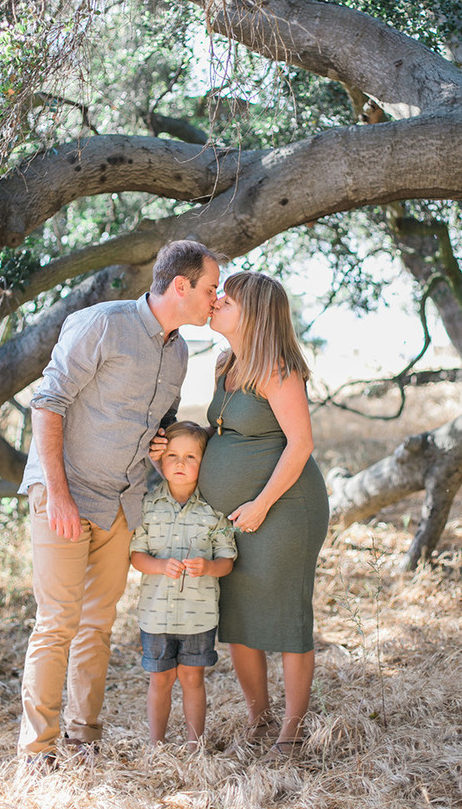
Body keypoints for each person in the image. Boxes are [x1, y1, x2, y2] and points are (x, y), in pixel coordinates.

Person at [17, 240, 222, 766]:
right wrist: (57, 495)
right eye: (210, 288)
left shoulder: (179, 352)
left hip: (121, 503)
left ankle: (84, 737)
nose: (214, 299)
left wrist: (161, 447)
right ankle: (37, 750)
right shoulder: (102, 323)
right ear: (181, 286)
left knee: (97, 625)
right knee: (57, 620)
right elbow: (48, 402)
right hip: (66, 494)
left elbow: (157, 421)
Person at [198, 271, 329, 760]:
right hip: (236, 516)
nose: (216, 301)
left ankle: (291, 733)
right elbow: (226, 431)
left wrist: (261, 504)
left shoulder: (276, 367)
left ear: (253, 313)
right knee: (238, 616)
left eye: (227, 297)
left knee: (288, 616)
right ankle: (260, 719)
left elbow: (301, 444)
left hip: (285, 508)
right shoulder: (224, 364)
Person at [130, 421, 237, 750]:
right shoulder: (148, 506)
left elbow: (227, 561)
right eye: (173, 455)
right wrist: (161, 565)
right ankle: (156, 745)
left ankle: (194, 744)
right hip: (156, 616)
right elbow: (136, 556)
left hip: (198, 617)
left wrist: (208, 567)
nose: (180, 463)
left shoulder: (213, 511)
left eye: (191, 456)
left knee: (193, 678)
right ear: (160, 460)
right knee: (160, 679)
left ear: (205, 463)